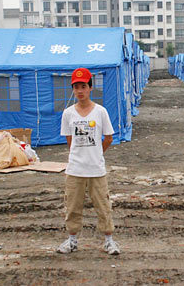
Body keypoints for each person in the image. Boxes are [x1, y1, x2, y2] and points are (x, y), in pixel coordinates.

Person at [57, 67, 120, 255]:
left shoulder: (100, 112)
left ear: (90, 88)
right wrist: (80, 155)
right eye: (76, 87)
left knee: (103, 206)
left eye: (83, 86)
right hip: (75, 170)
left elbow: (108, 137)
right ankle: (72, 240)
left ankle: (109, 241)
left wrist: (96, 154)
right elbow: (70, 140)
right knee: (72, 207)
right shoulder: (68, 114)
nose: (80, 91)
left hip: (96, 170)